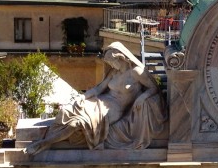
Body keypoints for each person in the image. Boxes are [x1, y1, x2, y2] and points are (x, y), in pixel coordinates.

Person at [25, 42, 166, 153]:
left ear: (121, 58)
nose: (111, 65)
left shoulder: (136, 72)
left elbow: (154, 88)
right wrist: (83, 97)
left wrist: (142, 97)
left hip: (113, 110)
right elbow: (99, 89)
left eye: (112, 62)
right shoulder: (114, 73)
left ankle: (44, 143)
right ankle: (47, 140)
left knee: (77, 123)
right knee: (66, 111)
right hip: (99, 102)